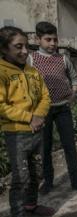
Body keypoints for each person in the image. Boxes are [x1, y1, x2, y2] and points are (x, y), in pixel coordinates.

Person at [28, 21, 77, 194]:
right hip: (43, 111)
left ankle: (76, 181)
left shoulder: (63, 58)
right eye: (48, 39)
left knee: (70, 146)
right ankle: (48, 182)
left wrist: (72, 94)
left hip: (63, 108)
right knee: (46, 147)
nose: (52, 44)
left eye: (55, 40)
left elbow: (74, 78)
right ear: (38, 39)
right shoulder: (31, 59)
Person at [0, 26, 55, 217]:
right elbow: (1, 105)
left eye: (26, 46)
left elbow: (46, 96)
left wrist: (38, 116)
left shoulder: (33, 71)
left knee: (36, 173)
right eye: (18, 46)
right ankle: (18, 213)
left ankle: (31, 205)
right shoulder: (2, 72)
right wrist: (29, 117)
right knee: (21, 177)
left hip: (37, 130)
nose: (24, 51)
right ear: (4, 48)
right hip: (16, 133)